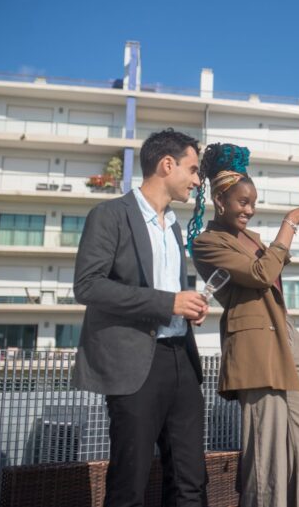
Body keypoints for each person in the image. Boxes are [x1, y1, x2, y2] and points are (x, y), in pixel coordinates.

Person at [73, 129, 208, 507]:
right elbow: (88, 287)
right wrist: (168, 303)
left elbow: (169, 292)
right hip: (134, 364)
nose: (198, 181)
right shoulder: (109, 214)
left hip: (182, 359)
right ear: (168, 165)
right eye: (194, 170)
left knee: (191, 481)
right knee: (129, 483)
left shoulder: (175, 226)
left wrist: (187, 307)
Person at [188, 143, 299, 507]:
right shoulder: (206, 243)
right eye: (243, 202)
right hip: (255, 352)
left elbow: (273, 268)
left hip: (289, 343)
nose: (249, 210)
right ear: (220, 200)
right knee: (267, 460)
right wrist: (290, 222)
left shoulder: (251, 239)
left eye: (252, 202)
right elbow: (261, 274)